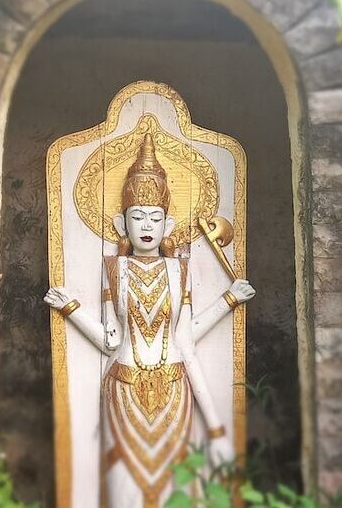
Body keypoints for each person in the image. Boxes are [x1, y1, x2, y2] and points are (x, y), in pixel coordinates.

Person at [44, 134, 255, 508]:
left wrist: (228, 300)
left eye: (155, 218)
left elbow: (186, 341)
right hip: (123, 392)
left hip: (175, 393)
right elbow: (111, 340)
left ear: (168, 223)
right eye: (137, 216)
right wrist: (70, 308)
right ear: (121, 223)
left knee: (176, 492)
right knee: (124, 493)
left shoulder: (179, 270)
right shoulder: (114, 268)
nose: (146, 225)